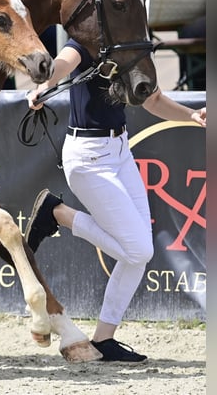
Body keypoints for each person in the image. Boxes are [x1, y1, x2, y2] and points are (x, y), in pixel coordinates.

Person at [24, 39, 206, 362]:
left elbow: (155, 100)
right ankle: (59, 213)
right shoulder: (83, 41)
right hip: (87, 157)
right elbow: (62, 65)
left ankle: (104, 339)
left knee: (137, 255)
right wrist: (43, 86)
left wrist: (192, 116)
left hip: (120, 152)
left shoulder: (130, 42)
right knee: (140, 250)